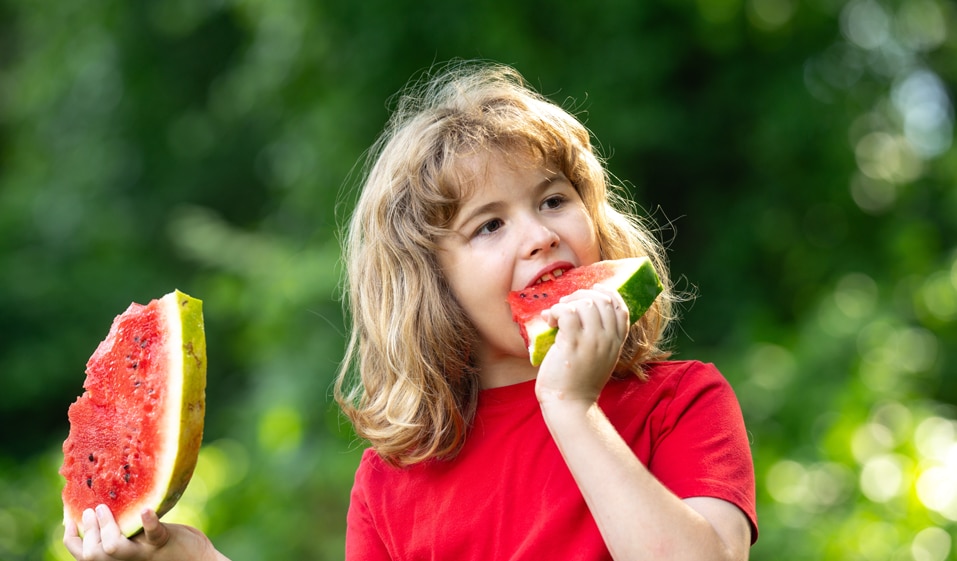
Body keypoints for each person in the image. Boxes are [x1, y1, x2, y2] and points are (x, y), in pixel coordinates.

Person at [64, 60, 757, 561]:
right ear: (433, 284)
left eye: (552, 200)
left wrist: (572, 408)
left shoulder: (681, 401)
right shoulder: (395, 479)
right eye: (488, 225)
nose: (540, 233)